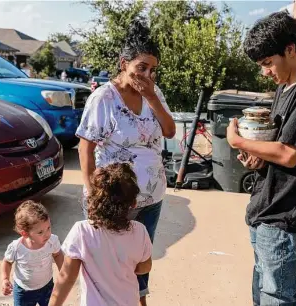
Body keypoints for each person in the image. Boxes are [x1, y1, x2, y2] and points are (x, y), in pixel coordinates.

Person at [226, 11, 296, 306]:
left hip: (287, 217)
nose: (265, 72)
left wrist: (238, 141)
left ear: (290, 49)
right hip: (267, 209)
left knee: (278, 298)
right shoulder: (285, 88)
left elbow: (289, 154)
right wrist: (255, 158)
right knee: (264, 293)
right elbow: (277, 145)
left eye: (267, 63)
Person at [76, 20, 175, 306]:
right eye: (141, 67)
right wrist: (91, 191)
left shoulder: (154, 94)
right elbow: (86, 146)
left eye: (153, 69)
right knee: (107, 264)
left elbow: (169, 131)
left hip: (151, 198)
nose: (147, 74)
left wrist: (151, 96)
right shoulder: (104, 98)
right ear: (124, 63)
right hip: (114, 198)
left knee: (141, 262)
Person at [49, 163, 153, 306]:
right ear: (133, 203)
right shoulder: (140, 231)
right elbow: (145, 267)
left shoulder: (82, 231)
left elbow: (67, 277)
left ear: (93, 200)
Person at [1, 200, 64, 306]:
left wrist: (63, 273)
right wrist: (5, 279)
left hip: (47, 286)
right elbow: (7, 262)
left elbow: (57, 254)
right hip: (24, 291)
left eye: (48, 228)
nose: (47, 234)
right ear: (25, 233)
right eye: (40, 232)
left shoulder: (52, 241)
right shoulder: (16, 247)